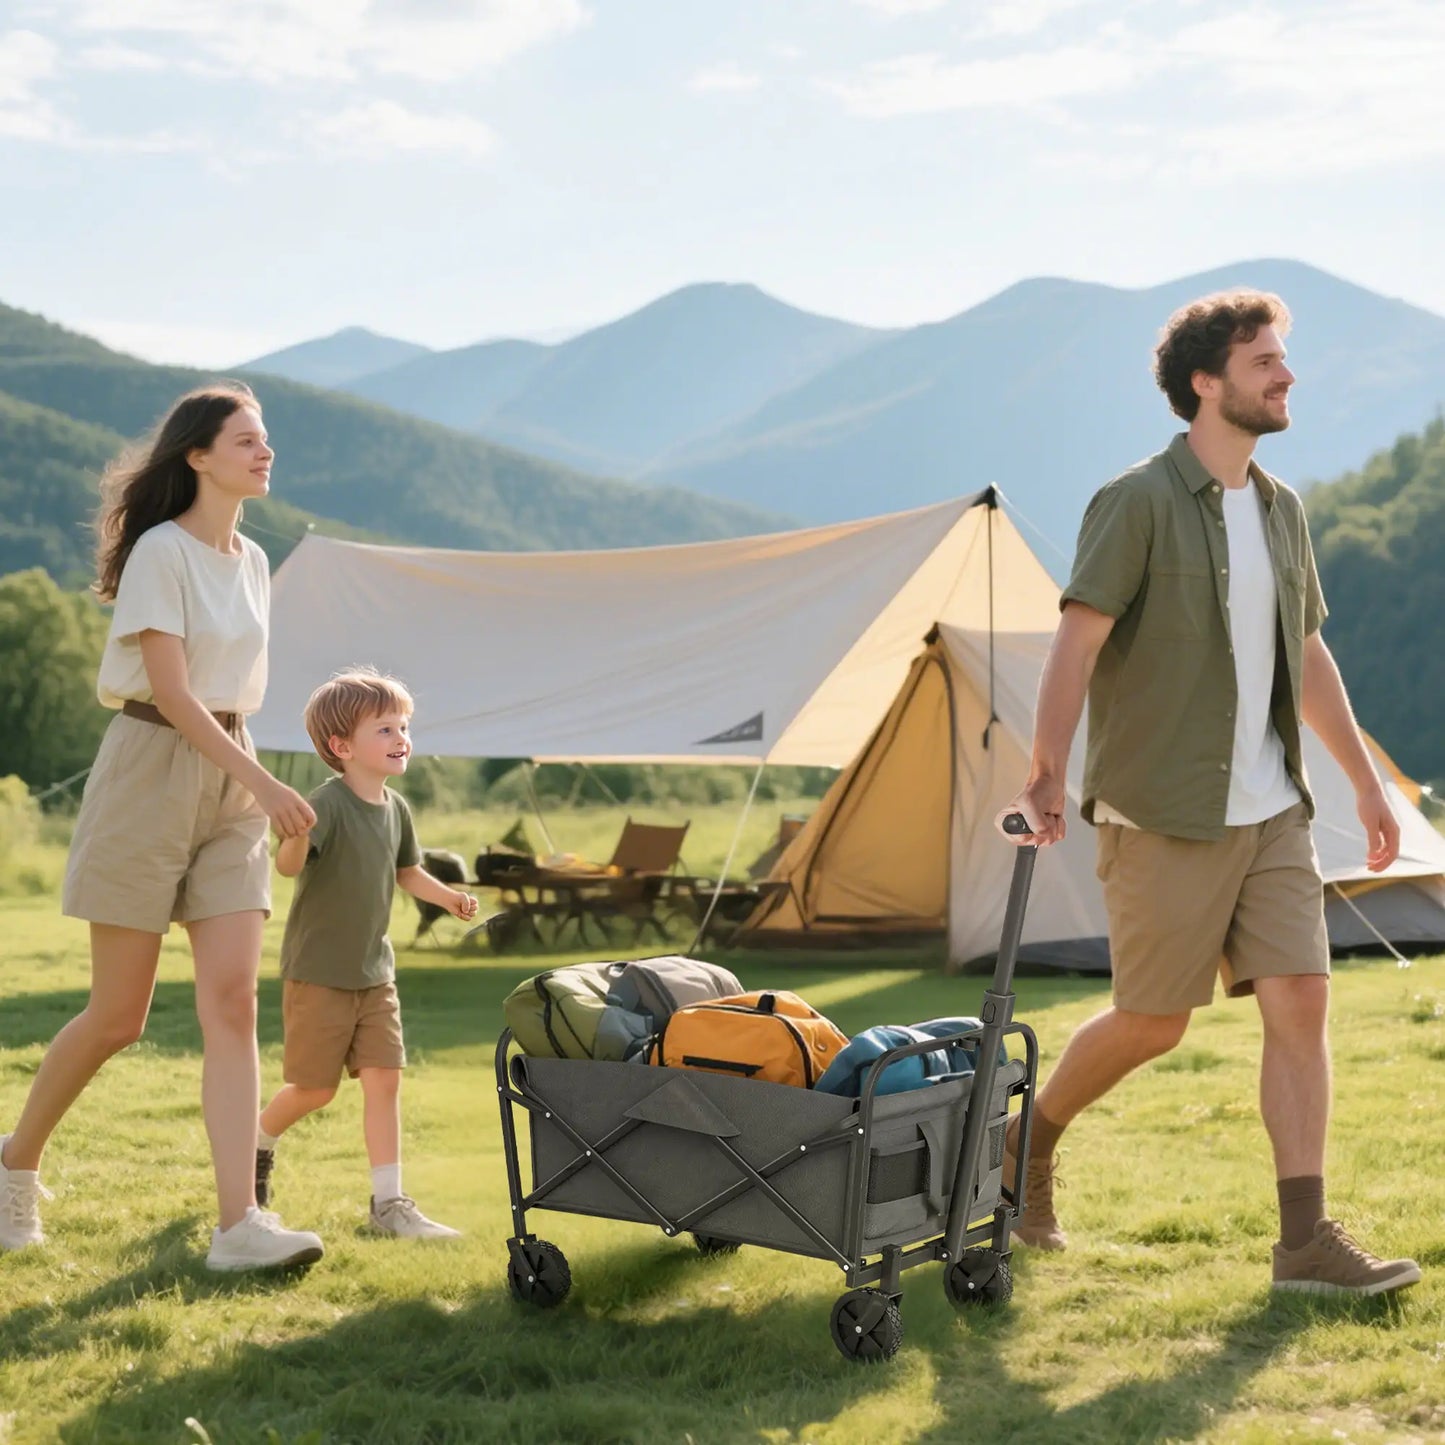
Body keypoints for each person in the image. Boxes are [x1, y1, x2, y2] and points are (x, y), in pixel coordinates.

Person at [998, 290, 1421, 1297]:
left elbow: (1304, 652)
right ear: (1205, 381)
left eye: (1281, 360)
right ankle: (1024, 1142)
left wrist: (1363, 785)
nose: (1283, 376)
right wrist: (1047, 765)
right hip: (1163, 811)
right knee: (1151, 1022)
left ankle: (1302, 1243)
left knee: (1300, 1000)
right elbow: (1078, 638)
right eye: (1263, 361)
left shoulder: (1281, 510)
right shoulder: (1136, 501)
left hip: (1270, 808)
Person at [0, 383, 325, 1271]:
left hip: (231, 773)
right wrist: (265, 782)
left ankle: (237, 1226)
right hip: (152, 765)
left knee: (232, 1001)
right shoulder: (160, 551)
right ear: (198, 455)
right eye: (247, 440)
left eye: (266, 440)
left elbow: (227, 695)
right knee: (118, 1015)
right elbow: (173, 693)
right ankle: (13, 1164)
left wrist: (251, 780)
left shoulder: (254, 560)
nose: (265, 453)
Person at [254, 667, 478, 1239]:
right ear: (341, 746)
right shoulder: (323, 805)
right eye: (385, 728)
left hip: (376, 975)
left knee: (385, 1079)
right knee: (315, 1090)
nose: (401, 737)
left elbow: (407, 872)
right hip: (320, 974)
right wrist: (297, 835)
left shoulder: (396, 808)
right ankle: (255, 1144)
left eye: (403, 726)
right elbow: (288, 866)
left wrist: (449, 898)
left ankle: (388, 1206)